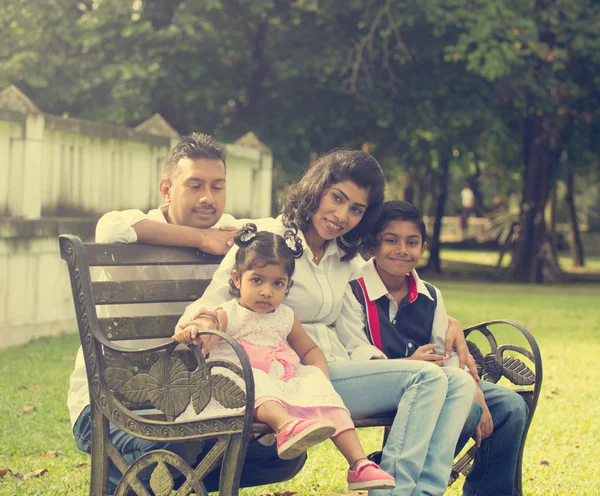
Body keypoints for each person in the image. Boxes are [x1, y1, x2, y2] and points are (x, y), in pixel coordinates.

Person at [179, 149, 477, 496]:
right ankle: (391, 493)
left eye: (356, 209)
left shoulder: (344, 256)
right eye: (337, 198)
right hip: (290, 377)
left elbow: (395, 274)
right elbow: (218, 298)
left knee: (456, 382)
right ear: (316, 188)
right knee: (426, 378)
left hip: (335, 371)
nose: (342, 216)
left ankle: (425, 492)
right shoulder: (269, 238)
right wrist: (200, 321)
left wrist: (449, 319)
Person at [67, 133, 305, 494]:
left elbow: (279, 231)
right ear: (167, 188)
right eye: (194, 185)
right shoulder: (137, 229)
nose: (207, 198)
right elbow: (109, 227)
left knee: (283, 455)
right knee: (173, 447)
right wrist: (199, 239)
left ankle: (180, 482)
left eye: (217, 186)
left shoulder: (234, 237)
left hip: (194, 400)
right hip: (113, 401)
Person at [173, 223, 395, 491]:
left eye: (277, 283)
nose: (267, 291)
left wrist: (319, 376)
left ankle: (359, 464)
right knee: (255, 377)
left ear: (287, 285)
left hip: (278, 384)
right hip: (235, 383)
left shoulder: (286, 316)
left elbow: (310, 350)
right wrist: (197, 331)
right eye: (257, 280)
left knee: (317, 383)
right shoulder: (228, 312)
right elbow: (209, 326)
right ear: (236, 279)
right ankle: (286, 427)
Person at [347, 200, 529, 496]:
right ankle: (403, 478)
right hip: (388, 387)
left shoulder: (430, 294)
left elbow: (449, 354)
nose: (402, 249)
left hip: (444, 382)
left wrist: (477, 390)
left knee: (510, 407)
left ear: (423, 247)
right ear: (372, 247)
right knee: (467, 411)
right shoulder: (354, 290)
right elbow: (356, 352)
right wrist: (408, 363)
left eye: (412, 242)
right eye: (391, 240)